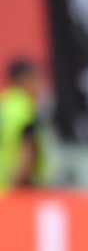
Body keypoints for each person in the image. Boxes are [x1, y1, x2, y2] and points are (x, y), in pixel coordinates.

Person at [0, 59, 46, 192]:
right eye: (35, 80)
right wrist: (16, 185)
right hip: (20, 186)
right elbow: (28, 152)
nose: (39, 87)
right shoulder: (24, 108)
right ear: (23, 80)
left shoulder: (4, 104)